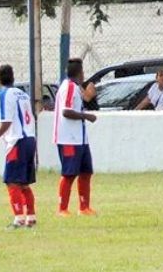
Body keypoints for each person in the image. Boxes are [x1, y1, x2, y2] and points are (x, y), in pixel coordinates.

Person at [0, 64, 37, 229]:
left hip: (17, 141)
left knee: (11, 181)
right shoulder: (23, 94)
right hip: (30, 139)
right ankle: (31, 217)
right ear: (13, 77)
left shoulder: (3, 95)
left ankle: (18, 219)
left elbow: (6, 121)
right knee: (24, 183)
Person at [53, 58, 98, 216]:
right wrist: (86, 116)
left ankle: (84, 207)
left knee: (86, 171)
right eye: (83, 71)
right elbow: (66, 111)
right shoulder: (69, 87)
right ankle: (62, 209)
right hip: (68, 139)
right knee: (69, 173)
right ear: (79, 73)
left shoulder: (76, 87)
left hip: (80, 138)